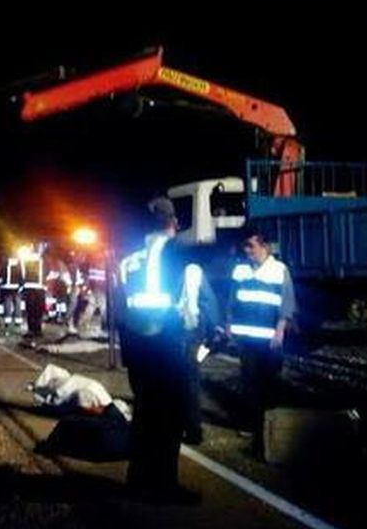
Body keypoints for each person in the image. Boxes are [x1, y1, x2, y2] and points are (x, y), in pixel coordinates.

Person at [118, 196, 220, 504]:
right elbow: (206, 252)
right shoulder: (174, 254)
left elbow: (120, 312)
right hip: (169, 349)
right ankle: (165, 486)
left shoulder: (128, 261)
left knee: (145, 415)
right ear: (172, 223)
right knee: (170, 421)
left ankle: (137, 480)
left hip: (138, 352)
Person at [227, 227, 296, 460]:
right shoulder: (240, 270)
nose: (248, 251)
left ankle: (271, 427)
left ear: (264, 247)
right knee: (249, 381)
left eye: (252, 246)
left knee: (270, 382)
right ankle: (251, 425)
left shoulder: (279, 270)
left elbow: (287, 303)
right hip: (246, 337)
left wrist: (280, 329)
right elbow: (232, 299)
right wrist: (228, 324)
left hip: (269, 339)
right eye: (245, 246)